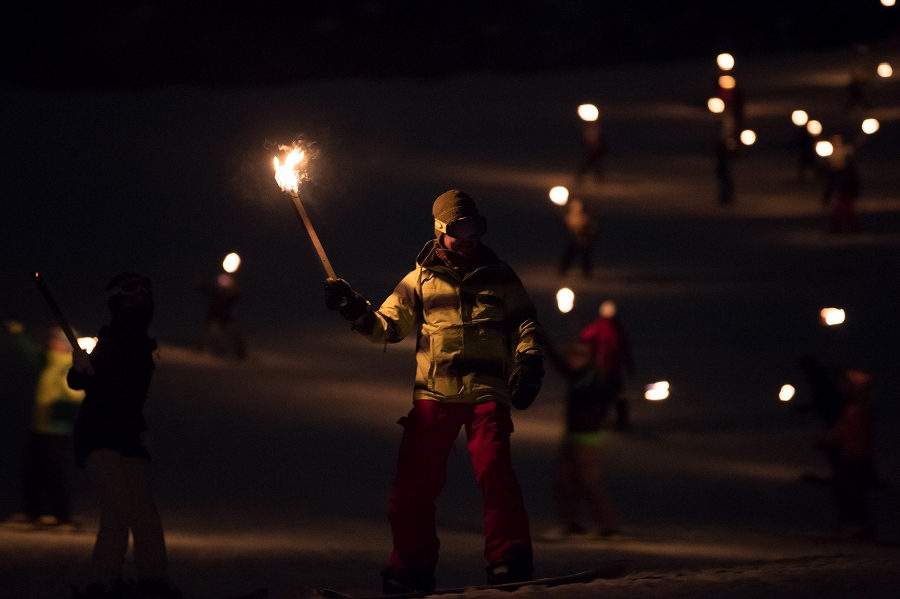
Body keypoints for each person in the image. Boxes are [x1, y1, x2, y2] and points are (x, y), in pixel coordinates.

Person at [324, 190, 545, 593]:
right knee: (412, 486)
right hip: (435, 396)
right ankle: (411, 566)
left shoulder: (500, 276)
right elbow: (387, 328)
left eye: (476, 227)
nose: (470, 237)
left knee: (495, 471)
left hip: (485, 394)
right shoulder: (420, 281)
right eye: (461, 228)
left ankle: (509, 556)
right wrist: (354, 309)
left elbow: (524, 323)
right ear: (441, 231)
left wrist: (528, 361)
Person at [67, 273, 181, 599]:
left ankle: (152, 580)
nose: (140, 303)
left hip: (128, 433)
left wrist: (142, 430)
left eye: (145, 296)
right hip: (99, 433)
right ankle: (103, 583)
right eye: (132, 298)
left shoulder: (143, 346)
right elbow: (83, 381)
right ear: (117, 303)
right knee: (119, 509)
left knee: (145, 511)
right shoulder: (113, 339)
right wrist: (80, 369)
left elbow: (128, 397)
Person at [4, 319, 85, 530]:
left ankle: (63, 516)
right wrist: (18, 334)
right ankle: (33, 512)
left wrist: (62, 390)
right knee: (31, 470)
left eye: (56, 340)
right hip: (40, 426)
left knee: (53, 471)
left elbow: (77, 394)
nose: (52, 342)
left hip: (58, 428)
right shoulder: (50, 360)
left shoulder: (69, 363)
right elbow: (30, 352)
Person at [543, 340, 618, 539]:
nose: (572, 359)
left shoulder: (592, 377)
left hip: (587, 438)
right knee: (564, 480)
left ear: (587, 358)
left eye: (578, 356)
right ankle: (570, 523)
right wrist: (544, 340)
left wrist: (597, 415)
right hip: (572, 436)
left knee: (589, 481)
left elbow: (607, 397)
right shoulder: (577, 375)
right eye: (571, 355)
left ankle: (606, 525)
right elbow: (559, 363)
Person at [819, 370, 875, 539]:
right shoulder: (860, 409)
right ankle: (856, 524)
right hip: (855, 455)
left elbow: (843, 431)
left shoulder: (855, 410)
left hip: (852, 456)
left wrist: (827, 440)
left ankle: (855, 524)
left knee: (849, 490)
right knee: (850, 490)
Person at [579, 301, 635, 432]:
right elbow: (624, 349)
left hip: (604, 367)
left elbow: (585, 336)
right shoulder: (616, 328)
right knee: (614, 394)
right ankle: (618, 420)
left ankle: (603, 418)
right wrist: (629, 365)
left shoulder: (601, 326)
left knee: (606, 394)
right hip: (610, 368)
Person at [193, 271, 246, 360]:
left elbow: (238, 295)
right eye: (222, 281)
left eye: (226, 281)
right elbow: (204, 289)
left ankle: (241, 355)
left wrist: (235, 286)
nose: (223, 282)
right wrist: (199, 282)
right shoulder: (215, 292)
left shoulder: (230, 294)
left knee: (236, 333)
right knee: (209, 334)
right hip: (214, 318)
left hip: (225, 319)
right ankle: (201, 351)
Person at [821, 135, 861, 235]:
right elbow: (830, 184)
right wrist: (827, 196)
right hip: (839, 194)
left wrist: (855, 192)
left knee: (848, 213)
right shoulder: (835, 171)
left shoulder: (849, 170)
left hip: (847, 194)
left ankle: (852, 229)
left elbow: (855, 182)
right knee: (837, 213)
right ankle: (836, 229)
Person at [557, 198, 598, 279]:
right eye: (573, 206)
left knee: (585, 257)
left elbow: (592, 229)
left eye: (577, 206)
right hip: (574, 241)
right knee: (569, 256)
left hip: (584, 241)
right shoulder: (569, 216)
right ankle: (562, 272)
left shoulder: (586, 217)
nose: (575, 208)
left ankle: (587, 274)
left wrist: (587, 237)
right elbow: (568, 229)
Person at [574, 110, 607, 185]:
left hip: (595, 149)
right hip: (591, 149)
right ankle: (580, 179)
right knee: (590, 165)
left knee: (594, 165)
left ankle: (598, 181)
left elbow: (598, 139)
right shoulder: (588, 128)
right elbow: (586, 139)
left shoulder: (595, 128)